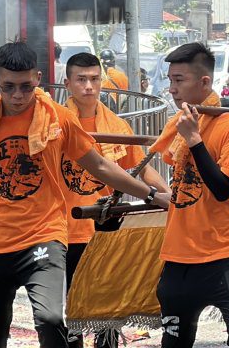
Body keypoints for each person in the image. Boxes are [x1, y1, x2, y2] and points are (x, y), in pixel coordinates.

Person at [0, 42, 169, 347]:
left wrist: (153, 195)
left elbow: (101, 166)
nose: (17, 96)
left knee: (52, 321)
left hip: (44, 236)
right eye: (9, 86)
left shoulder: (58, 119)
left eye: (26, 87)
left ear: (38, 78)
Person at [150, 42, 229, 348]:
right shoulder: (181, 125)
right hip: (179, 258)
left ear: (205, 82)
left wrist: (195, 140)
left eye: (179, 80)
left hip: (227, 255)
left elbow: (224, 189)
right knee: (174, 343)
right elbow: (183, 188)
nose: (172, 89)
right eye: (170, 80)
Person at [61, 52, 170, 348]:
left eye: (94, 79)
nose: (88, 87)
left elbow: (140, 167)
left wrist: (167, 195)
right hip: (69, 227)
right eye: (81, 80)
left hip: (109, 226)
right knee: (75, 301)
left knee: (109, 299)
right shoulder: (57, 124)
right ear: (67, 82)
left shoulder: (116, 126)